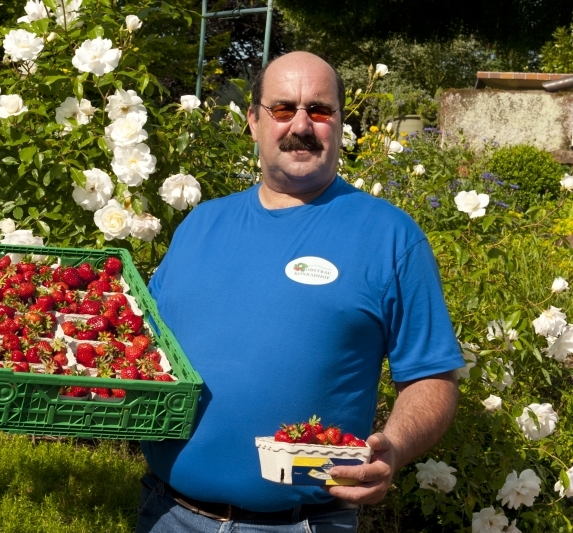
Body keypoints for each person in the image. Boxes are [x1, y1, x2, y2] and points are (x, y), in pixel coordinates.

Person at [134, 51, 464, 533]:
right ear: (253, 121)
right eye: (283, 109)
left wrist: (393, 445)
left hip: (303, 524)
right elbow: (141, 346)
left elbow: (433, 376)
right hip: (168, 514)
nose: (302, 125)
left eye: (321, 110)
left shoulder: (390, 236)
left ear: (340, 123)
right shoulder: (200, 224)